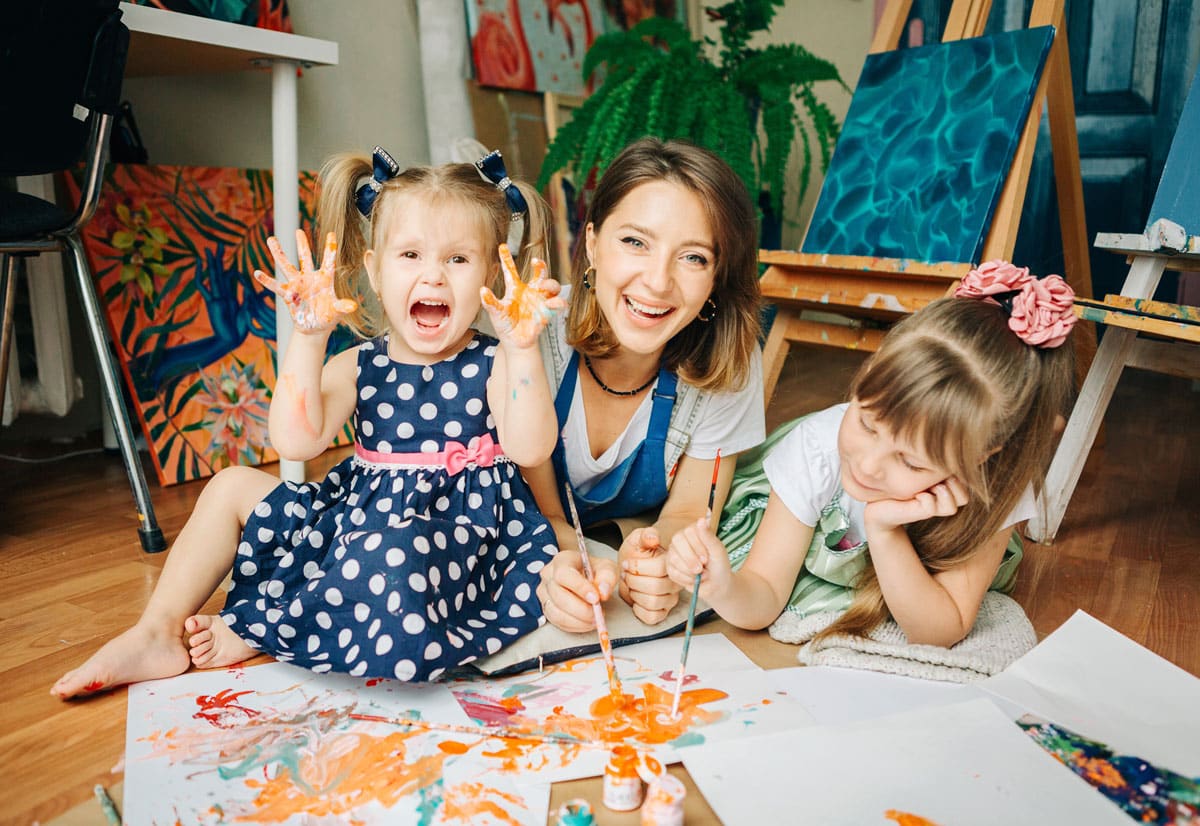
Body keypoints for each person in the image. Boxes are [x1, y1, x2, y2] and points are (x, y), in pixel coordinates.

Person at [52, 146, 565, 697]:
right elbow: (295, 439)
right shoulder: (362, 362)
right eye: (410, 255)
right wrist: (310, 336)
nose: (433, 277)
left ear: (493, 272)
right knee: (229, 486)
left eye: (458, 260)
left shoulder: (494, 362)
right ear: (372, 270)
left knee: (388, 549)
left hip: (458, 540)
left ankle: (265, 626)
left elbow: (530, 447)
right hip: (358, 521)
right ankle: (155, 631)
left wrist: (522, 349)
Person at [665, 261, 1077, 647]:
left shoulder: (995, 482)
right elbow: (766, 596)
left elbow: (940, 630)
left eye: (911, 461)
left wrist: (884, 530)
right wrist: (724, 587)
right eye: (866, 423)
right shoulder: (818, 450)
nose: (867, 464)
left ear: (983, 454)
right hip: (809, 515)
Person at [532, 137, 766, 633]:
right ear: (592, 243)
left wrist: (656, 562)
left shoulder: (730, 359)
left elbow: (687, 509)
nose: (658, 283)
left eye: (694, 258)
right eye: (635, 242)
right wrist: (554, 562)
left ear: (717, 276)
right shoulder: (531, 334)